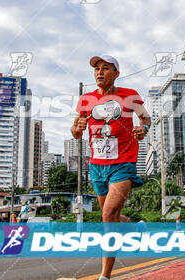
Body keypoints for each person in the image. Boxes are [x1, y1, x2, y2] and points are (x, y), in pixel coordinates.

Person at [72, 55, 151, 280]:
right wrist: (76, 128)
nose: (99, 72)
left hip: (123, 162)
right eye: (97, 69)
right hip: (97, 165)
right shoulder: (86, 99)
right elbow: (76, 131)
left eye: (105, 68)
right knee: (111, 216)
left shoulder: (129, 95)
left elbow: (146, 118)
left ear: (116, 73)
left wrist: (143, 129)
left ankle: (105, 276)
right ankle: (135, 229)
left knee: (108, 215)